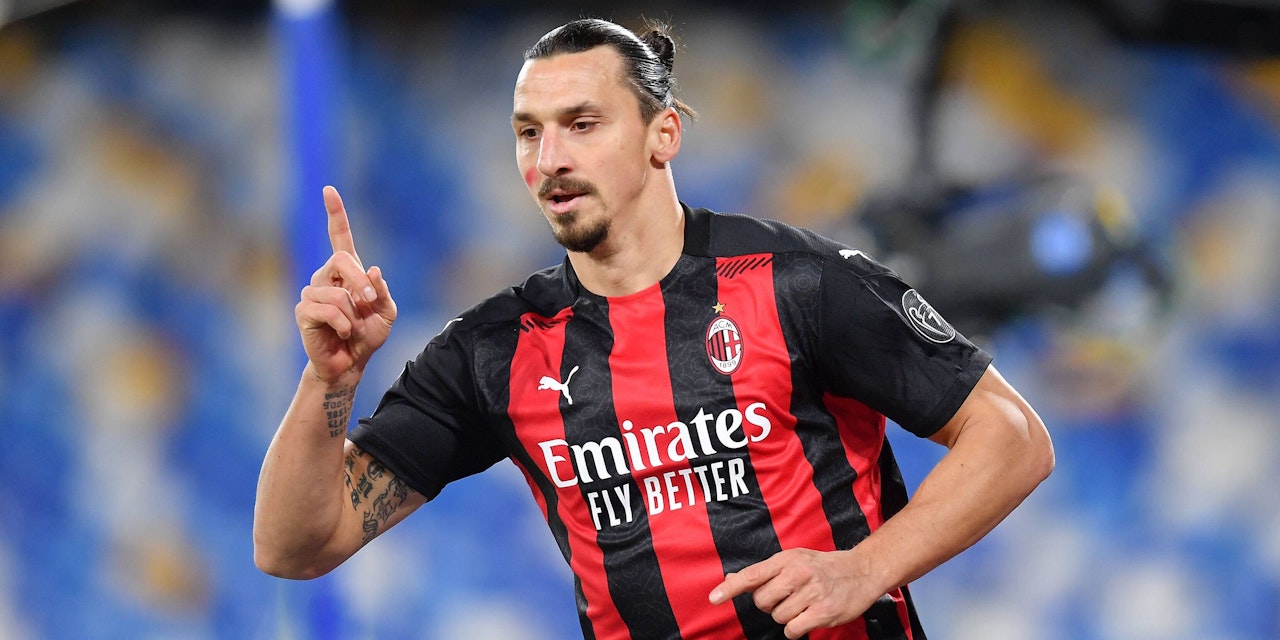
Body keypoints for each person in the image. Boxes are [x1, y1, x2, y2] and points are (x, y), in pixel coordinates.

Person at [253, 17, 1054, 640]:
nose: (549, 158)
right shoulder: (494, 350)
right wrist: (330, 382)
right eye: (529, 131)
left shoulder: (797, 282)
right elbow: (295, 547)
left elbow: (1013, 438)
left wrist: (864, 569)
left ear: (662, 134)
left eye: (582, 124)